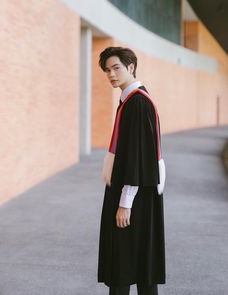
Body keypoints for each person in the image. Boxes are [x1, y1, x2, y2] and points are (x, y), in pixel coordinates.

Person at [97, 46, 166, 295]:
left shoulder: (137, 103)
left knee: (123, 261)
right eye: (107, 70)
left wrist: (125, 202)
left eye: (116, 68)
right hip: (139, 190)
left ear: (131, 67)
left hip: (133, 193)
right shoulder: (132, 100)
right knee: (140, 262)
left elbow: (138, 156)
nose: (111, 74)